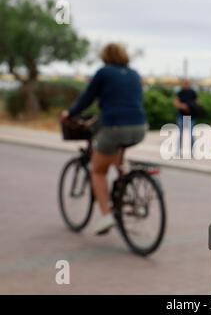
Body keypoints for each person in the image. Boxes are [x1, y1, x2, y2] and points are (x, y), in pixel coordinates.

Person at [61, 43, 147, 235]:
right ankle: (129, 190)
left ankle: (106, 215)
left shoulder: (104, 73)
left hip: (115, 127)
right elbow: (127, 103)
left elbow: (87, 98)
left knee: (98, 170)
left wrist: (70, 113)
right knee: (116, 156)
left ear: (105, 56)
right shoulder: (134, 74)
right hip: (140, 127)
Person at [174, 79, 199, 156]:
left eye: (188, 83)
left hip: (191, 116)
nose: (186, 85)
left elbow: (198, 102)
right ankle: (178, 151)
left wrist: (192, 106)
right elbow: (176, 103)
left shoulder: (193, 92)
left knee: (192, 134)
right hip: (181, 116)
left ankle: (192, 151)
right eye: (185, 83)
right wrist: (183, 106)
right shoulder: (180, 93)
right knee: (180, 134)